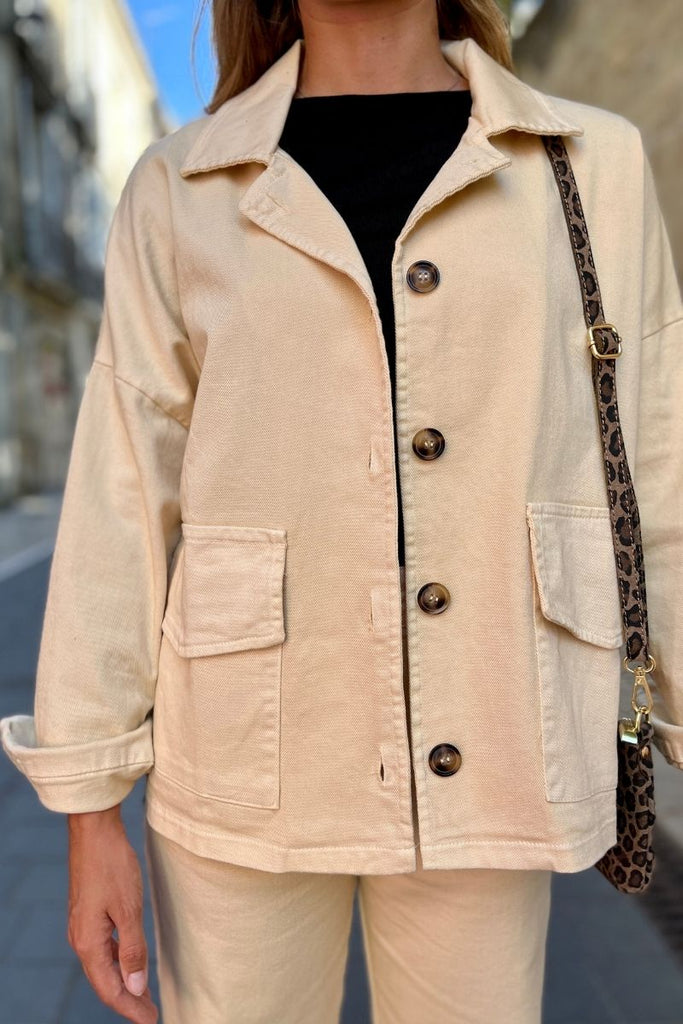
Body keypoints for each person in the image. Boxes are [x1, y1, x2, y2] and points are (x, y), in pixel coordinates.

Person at [2, 1, 682, 1022]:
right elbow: (121, 495)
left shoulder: (590, 163)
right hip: (243, 756)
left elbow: (657, 454)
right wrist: (89, 806)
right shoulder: (180, 187)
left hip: (494, 728)